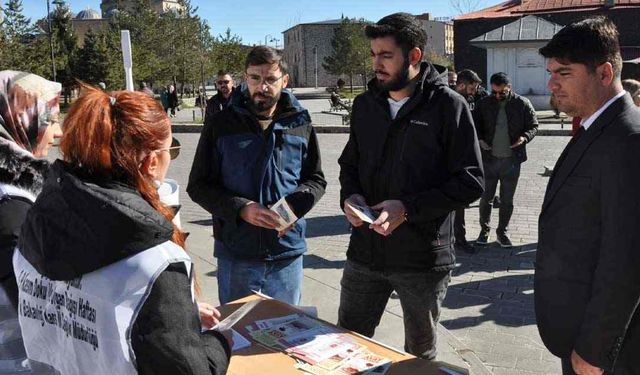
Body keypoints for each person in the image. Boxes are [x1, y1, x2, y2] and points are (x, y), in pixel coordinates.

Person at [14, 85, 231, 374]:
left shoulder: (35, 221)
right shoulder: (155, 261)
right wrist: (220, 342)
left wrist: (173, 315)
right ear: (151, 162)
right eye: (172, 150)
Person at [338, 13, 484, 360]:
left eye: (386, 55)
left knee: (418, 356)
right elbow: (349, 165)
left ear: (414, 56)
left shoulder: (448, 106)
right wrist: (351, 197)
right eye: (373, 55)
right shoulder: (365, 104)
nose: (376, 64)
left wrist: (408, 208)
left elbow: (471, 181)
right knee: (346, 342)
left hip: (421, 259)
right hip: (365, 252)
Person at [536, 16, 640, 375]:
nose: (551, 83)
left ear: (604, 74)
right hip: (579, 333)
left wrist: (595, 350)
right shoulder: (597, 127)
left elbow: (627, 259)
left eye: (564, 73)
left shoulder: (629, 140)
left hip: (609, 352)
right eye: (550, 72)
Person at [188, 46, 326, 305]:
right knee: (237, 338)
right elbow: (198, 185)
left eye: (270, 80)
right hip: (237, 253)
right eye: (255, 78)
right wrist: (241, 209)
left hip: (287, 254)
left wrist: (293, 208)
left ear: (285, 80)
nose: (262, 87)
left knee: (286, 335)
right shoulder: (222, 124)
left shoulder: (300, 122)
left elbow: (315, 180)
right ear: (244, 78)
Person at [0, 71, 61, 374]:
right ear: (23, 120)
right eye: (49, 121)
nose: (57, 132)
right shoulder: (10, 208)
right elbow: (37, 308)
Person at [474, 72, 538, 248]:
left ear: (509, 88)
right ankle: (484, 231)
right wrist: (480, 140)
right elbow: (474, 124)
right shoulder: (484, 104)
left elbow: (534, 125)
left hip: (512, 161)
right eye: (494, 92)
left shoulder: (522, 104)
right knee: (486, 198)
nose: (497, 96)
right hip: (488, 160)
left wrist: (524, 138)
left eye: (501, 92)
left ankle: (502, 232)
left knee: (507, 200)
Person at [452, 69, 485, 254]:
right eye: (471, 88)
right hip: (451, 159)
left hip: (465, 156)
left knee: (460, 203)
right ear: (462, 84)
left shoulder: (471, 99)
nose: (474, 91)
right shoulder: (448, 100)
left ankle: (459, 238)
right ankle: (454, 238)